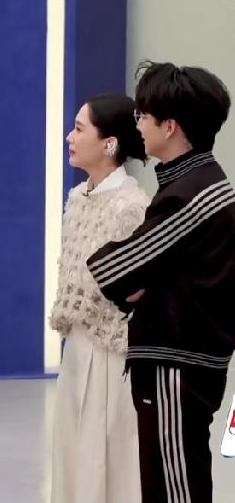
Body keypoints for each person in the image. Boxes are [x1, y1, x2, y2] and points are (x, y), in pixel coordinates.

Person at [88, 61, 234, 503]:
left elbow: (114, 269)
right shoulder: (196, 183)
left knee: (175, 488)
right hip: (184, 360)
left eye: (143, 116)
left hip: (176, 364)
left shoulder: (190, 195)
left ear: (170, 126)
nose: (138, 124)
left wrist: (138, 277)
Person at [50, 94, 149, 503]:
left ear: (109, 143)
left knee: (106, 458)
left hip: (112, 354)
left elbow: (139, 291)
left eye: (79, 129)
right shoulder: (77, 198)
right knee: (72, 453)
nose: (69, 137)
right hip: (76, 350)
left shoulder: (133, 207)